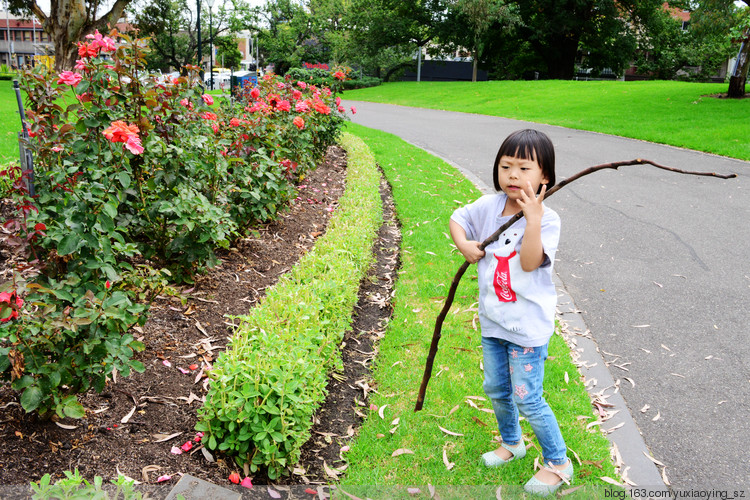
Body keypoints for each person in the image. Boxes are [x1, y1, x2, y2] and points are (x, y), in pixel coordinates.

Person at [449, 129, 573, 496]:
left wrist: (531, 219)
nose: (513, 176)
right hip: (494, 322)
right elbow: (458, 217)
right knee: (497, 389)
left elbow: (531, 262)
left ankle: (558, 462)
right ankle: (513, 443)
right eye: (506, 166)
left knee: (527, 396)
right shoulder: (489, 207)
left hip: (527, 328)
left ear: (544, 177)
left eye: (523, 168)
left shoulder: (547, 220)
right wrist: (464, 245)